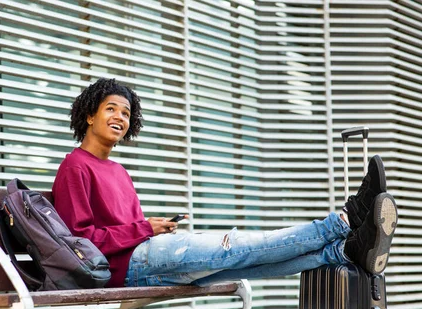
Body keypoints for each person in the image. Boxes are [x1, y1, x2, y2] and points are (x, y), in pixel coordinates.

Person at [52, 78, 398, 288]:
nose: (120, 118)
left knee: (247, 263)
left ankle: (343, 250)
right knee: (233, 246)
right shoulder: (74, 166)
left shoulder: (119, 172)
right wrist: (144, 229)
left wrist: (151, 228)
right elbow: (81, 241)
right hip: (123, 267)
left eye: (126, 113)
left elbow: (130, 228)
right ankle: (344, 221)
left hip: (144, 260)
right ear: (89, 115)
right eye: (111, 109)